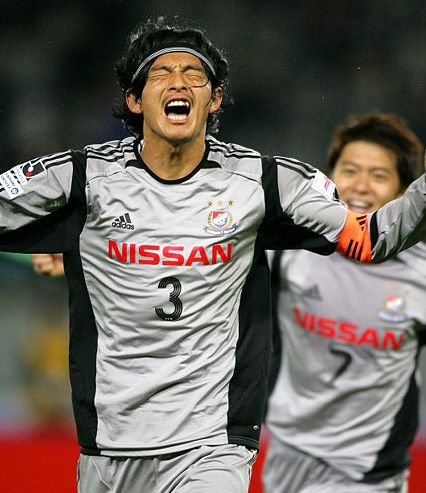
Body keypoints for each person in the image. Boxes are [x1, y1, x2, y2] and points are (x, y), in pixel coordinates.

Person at [0, 17, 425, 493]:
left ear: (215, 98)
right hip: (108, 448)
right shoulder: (84, 178)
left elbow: (369, 238)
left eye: (194, 75)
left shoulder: (262, 182)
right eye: (161, 73)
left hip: (212, 445)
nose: (179, 82)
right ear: (134, 100)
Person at [263, 112, 426, 493]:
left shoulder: (421, 273)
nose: (360, 187)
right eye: (349, 171)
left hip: (367, 471)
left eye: (379, 176)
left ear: (403, 194)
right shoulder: (287, 251)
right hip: (285, 454)